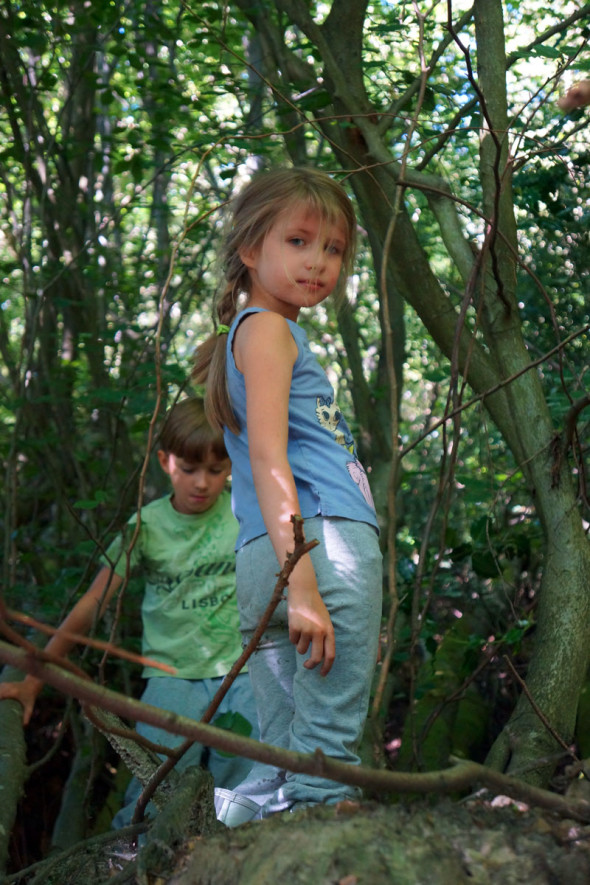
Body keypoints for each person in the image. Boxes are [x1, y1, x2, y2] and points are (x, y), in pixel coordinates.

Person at [193, 166, 383, 818]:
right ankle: (323, 842)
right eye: (299, 241)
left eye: (333, 249)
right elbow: (272, 456)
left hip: (262, 550)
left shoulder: (243, 335)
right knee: (324, 764)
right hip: (316, 546)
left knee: (282, 761)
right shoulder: (268, 330)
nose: (319, 263)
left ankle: (272, 838)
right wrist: (300, 581)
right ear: (251, 249)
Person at [0, 397, 257, 825]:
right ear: (163, 460)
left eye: (215, 470)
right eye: (188, 469)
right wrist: (33, 678)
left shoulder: (242, 514)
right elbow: (93, 602)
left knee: (242, 785)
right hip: (170, 675)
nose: (201, 483)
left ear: (231, 464)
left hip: (242, 672)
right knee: (157, 784)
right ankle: (134, 857)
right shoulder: (147, 526)